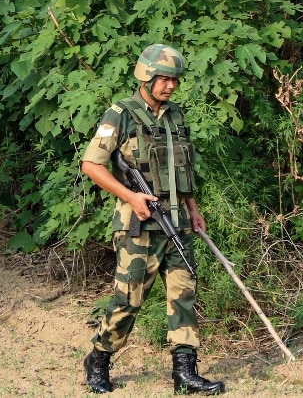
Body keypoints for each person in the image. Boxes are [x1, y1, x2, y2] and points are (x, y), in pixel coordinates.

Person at [79, 45, 225, 395]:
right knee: (128, 301)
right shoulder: (121, 114)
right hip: (138, 226)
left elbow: (182, 170)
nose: (170, 86)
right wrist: (130, 196)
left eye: (174, 80)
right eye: (163, 79)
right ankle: (98, 358)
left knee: (184, 295)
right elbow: (91, 165)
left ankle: (185, 373)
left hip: (177, 223)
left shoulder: (176, 116)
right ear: (145, 75)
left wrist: (193, 207)